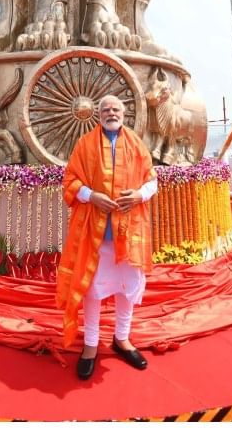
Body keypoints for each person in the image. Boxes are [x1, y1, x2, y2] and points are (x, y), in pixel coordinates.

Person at [56, 95, 160, 380]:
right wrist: (92, 196)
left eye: (115, 109)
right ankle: (90, 345)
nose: (110, 113)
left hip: (129, 231)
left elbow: (152, 180)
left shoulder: (137, 145)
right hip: (95, 232)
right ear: (98, 115)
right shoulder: (85, 144)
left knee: (127, 289)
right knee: (93, 290)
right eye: (105, 110)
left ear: (123, 113)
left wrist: (139, 194)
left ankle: (122, 338)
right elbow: (70, 181)